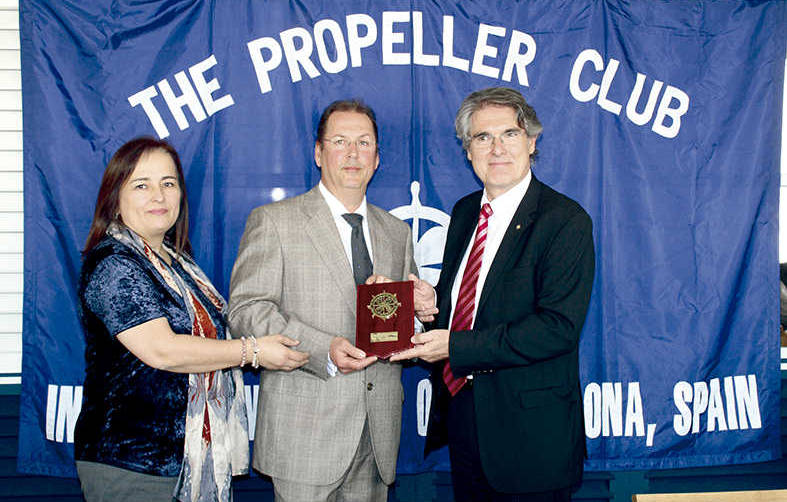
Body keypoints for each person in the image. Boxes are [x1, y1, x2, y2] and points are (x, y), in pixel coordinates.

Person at [74, 137, 309, 502]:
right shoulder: (114, 263)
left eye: (168, 184)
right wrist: (252, 352)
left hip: (190, 463)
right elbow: (162, 350)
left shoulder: (178, 263)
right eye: (141, 185)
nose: (158, 196)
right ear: (114, 199)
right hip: (133, 464)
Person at [392, 87, 596, 501]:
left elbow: (557, 329)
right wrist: (431, 308)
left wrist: (455, 345)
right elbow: (467, 310)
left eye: (510, 134)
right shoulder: (466, 211)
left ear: (532, 142)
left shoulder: (565, 220)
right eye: (483, 137)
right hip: (467, 422)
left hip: (532, 439)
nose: (497, 148)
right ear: (468, 150)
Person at [228, 99, 417, 501]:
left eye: (364, 143)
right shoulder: (274, 221)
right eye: (340, 141)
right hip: (304, 437)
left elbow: (402, 331)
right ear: (318, 152)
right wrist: (322, 349)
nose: (353, 153)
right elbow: (246, 311)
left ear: (377, 158)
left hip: (377, 436)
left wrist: (417, 319)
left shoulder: (397, 232)